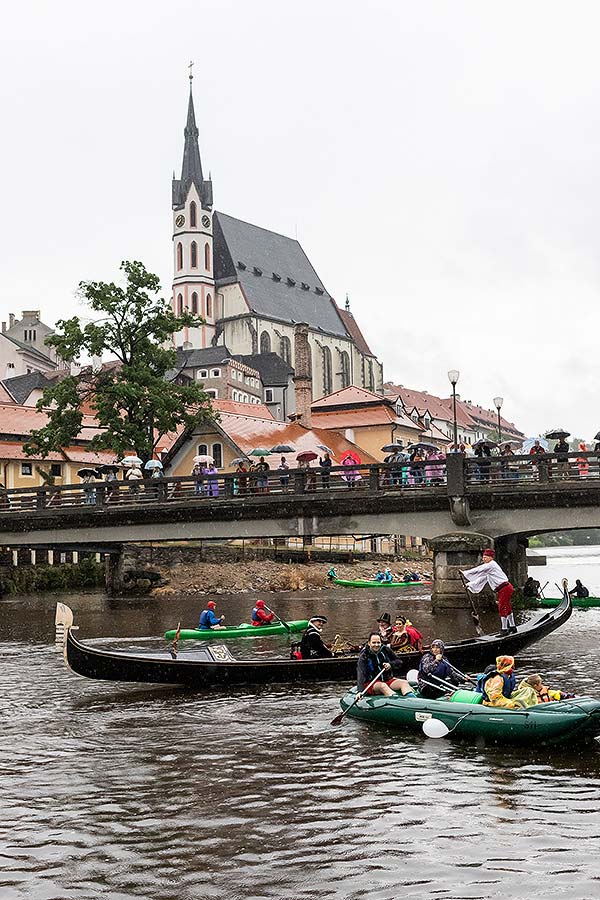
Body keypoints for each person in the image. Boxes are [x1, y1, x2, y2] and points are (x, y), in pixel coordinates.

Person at [462, 548, 516, 634]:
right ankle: (512, 627)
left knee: (502, 607)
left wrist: (465, 573)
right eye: (483, 557)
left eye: (485, 557)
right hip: (503, 589)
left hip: (505, 588)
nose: (483, 559)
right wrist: (469, 585)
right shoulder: (489, 570)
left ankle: (504, 629)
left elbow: (479, 569)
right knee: (507, 607)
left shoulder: (491, 565)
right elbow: (480, 579)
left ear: (491, 558)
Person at [356, 632, 415, 698]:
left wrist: (390, 664)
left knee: (404, 683)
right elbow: (360, 674)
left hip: (387, 680)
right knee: (383, 686)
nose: (376, 645)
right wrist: (360, 691)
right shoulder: (364, 656)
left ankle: (414, 701)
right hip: (371, 683)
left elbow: (399, 661)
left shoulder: (385, 649)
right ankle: (396, 700)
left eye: (378, 642)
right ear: (369, 643)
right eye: (374, 642)